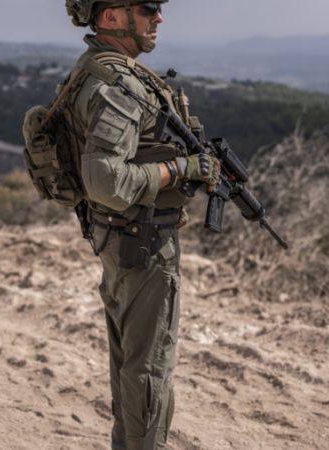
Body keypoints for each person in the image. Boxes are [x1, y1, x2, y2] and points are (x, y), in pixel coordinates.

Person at [62, 1, 220, 448]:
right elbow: (105, 181)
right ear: (111, 16)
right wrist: (181, 169)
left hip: (124, 237)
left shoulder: (102, 70)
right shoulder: (117, 86)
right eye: (148, 7)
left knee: (132, 367)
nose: (159, 17)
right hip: (142, 244)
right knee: (149, 371)